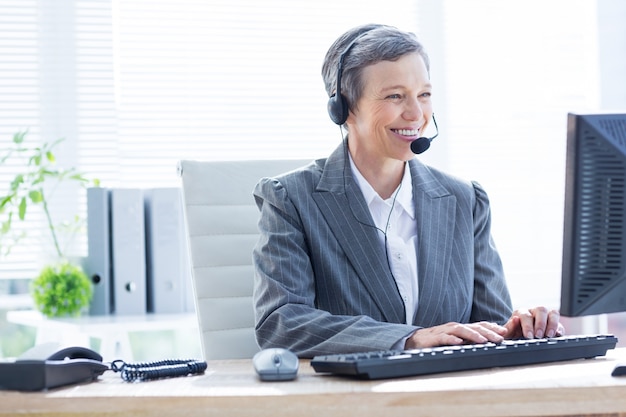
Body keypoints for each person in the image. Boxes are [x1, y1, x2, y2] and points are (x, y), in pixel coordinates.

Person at [252, 23, 563, 358]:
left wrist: (517, 331)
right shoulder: (291, 199)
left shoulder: (464, 200)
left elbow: (488, 323)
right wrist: (410, 338)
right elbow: (282, 324)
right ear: (343, 109)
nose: (416, 114)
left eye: (424, 95)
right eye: (395, 96)